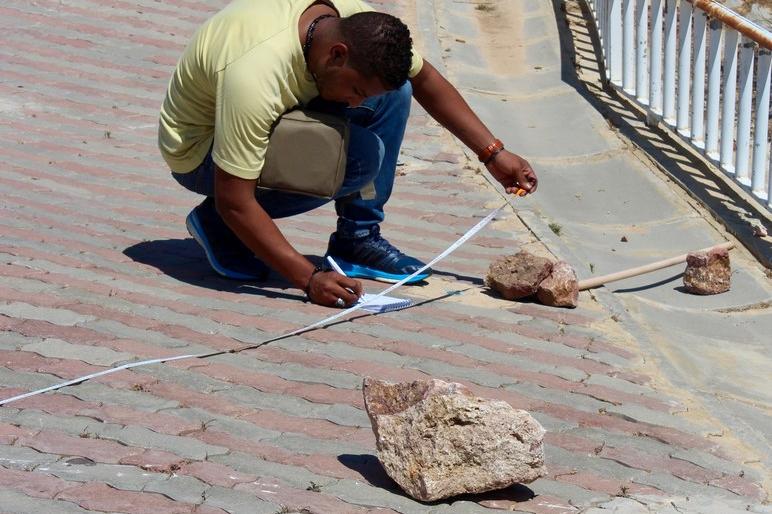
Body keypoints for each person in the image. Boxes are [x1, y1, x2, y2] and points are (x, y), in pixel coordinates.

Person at [159, 0, 538, 309]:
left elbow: (424, 79)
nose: (358, 103)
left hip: (272, 113)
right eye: (355, 90)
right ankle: (218, 224)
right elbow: (235, 199)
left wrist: (492, 153)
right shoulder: (255, 75)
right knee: (359, 159)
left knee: (394, 93)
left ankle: (357, 239)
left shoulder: (350, 21)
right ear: (337, 54)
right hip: (201, 154)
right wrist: (308, 279)